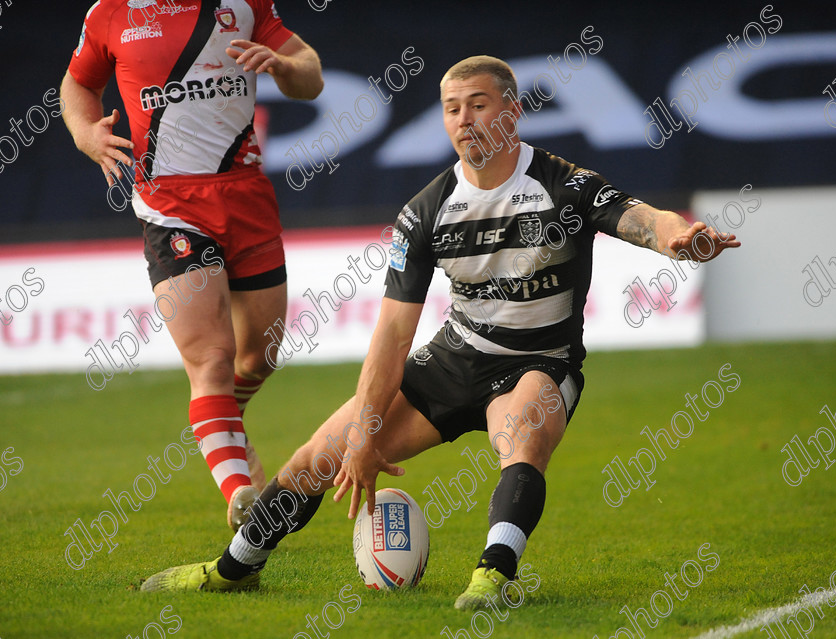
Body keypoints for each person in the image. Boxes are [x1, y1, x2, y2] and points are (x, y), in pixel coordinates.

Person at [139, 55, 739, 608]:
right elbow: (393, 336)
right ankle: (233, 570)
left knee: (521, 435)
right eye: (453, 109)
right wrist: (364, 433)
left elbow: (639, 216)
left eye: (478, 105)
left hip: (540, 360)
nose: (464, 120)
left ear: (512, 111)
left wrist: (675, 236)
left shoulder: (563, 185)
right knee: (318, 458)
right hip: (454, 359)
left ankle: (493, 575)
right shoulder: (426, 212)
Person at [60, 0, 323, 531]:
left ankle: (225, 419)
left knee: (263, 352)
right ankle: (241, 492)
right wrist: (86, 134)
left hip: (247, 197)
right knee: (213, 358)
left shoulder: (245, 5)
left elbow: (310, 76)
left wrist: (282, 66)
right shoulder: (111, 11)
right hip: (169, 206)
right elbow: (77, 84)